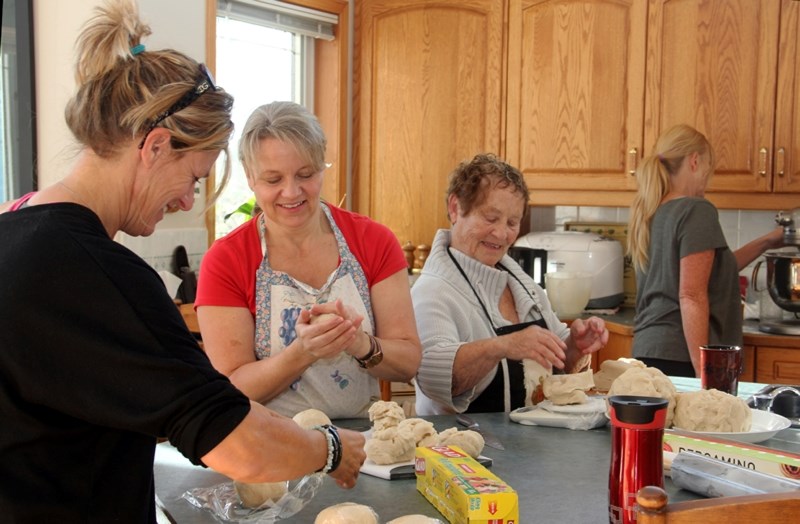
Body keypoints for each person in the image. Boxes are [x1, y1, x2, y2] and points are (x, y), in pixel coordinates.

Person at [0, 1, 365, 521]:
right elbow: (230, 439)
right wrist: (328, 448)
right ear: (154, 147)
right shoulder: (98, 274)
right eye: (194, 176)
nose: (188, 200)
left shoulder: (13, 233)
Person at [195, 101, 421, 419]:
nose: (291, 192)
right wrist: (302, 353)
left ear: (322, 166)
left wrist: (359, 344)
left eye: (305, 174)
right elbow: (231, 386)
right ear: (250, 177)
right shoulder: (227, 260)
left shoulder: (373, 241)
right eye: (273, 180)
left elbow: (408, 360)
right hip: (268, 445)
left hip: (362, 444)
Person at [411, 153, 609, 415]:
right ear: (455, 208)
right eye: (491, 218)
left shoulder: (521, 283)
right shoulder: (432, 291)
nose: (502, 233)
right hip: (463, 450)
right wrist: (503, 346)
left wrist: (576, 345)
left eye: (512, 223)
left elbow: (561, 366)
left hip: (531, 446)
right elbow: (436, 379)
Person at [627, 124, 785, 377]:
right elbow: (691, 295)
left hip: (649, 351)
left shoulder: (651, 211)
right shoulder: (696, 210)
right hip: (682, 356)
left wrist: (767, 242)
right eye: (708, 171)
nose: (706, 181)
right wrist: (704, 371)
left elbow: (711, 270)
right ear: (694, 161)